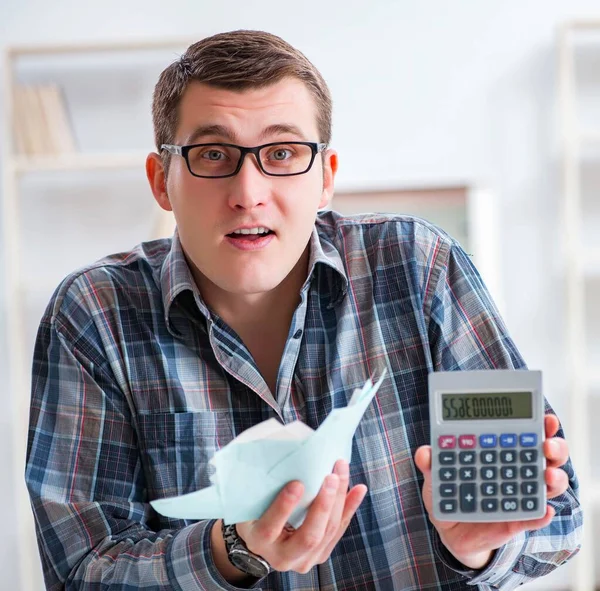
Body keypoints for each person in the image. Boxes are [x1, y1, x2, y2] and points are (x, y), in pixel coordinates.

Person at [25, 29, 582, 590]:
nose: (248, 191)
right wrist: (228, 550)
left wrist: (479, 550)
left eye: (283, 153)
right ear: (160, 180)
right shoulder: (94, 315)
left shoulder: (420, 267)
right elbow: (81, 572)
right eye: (213, 154)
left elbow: (561, 521)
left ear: (326, 177)